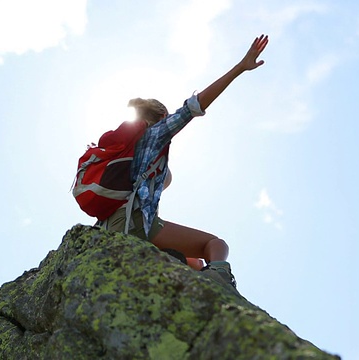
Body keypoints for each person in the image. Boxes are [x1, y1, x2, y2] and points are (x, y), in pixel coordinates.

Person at [99, 34, 269, 291]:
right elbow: (194, 106)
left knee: (195, 263)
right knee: (214, 244)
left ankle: (200, 276)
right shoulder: (154, 135)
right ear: (163, 116)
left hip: (108, 228)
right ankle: (219, 281)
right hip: (135, 227)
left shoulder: (123, 147)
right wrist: (240, 68)